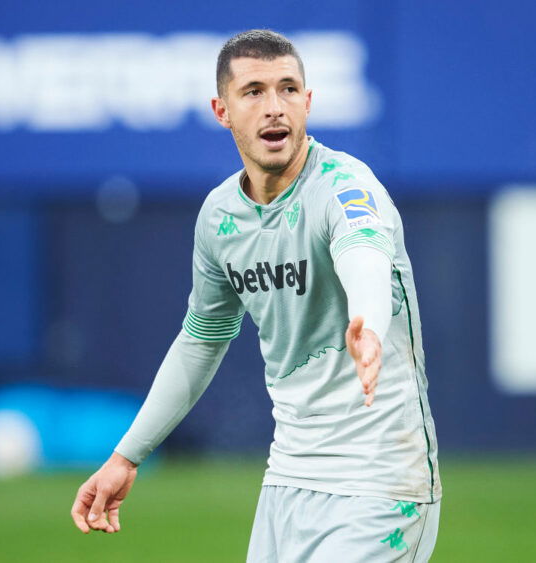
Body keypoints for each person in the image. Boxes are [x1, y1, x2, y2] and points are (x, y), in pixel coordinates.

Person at [71, 29, 442, 562]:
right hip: (287, 480)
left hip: (379, 482)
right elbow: (201, 341)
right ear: (222, 110)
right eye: (254, 92)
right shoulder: (220, 217)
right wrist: (126, 458)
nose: (275, 108)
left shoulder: (345, 185)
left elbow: (366, 256)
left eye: (288, 89)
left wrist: (368, 321)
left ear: (308, 102)